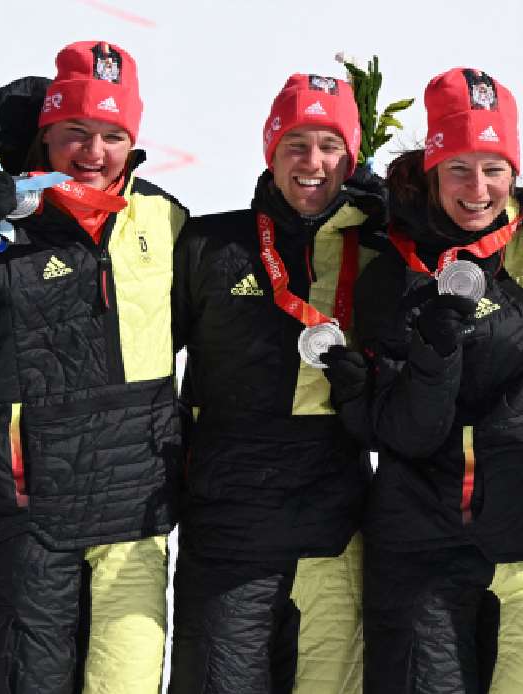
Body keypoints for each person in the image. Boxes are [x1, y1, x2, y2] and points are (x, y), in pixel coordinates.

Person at [0, 41, 188, 693]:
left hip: (133, 527)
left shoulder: (163, 220)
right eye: (75, 131)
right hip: (25, 528)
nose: (93, 151)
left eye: (112, 134)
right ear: (45, 133)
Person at [349, 67, 523, 693]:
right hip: (422, 545)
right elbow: (403, 430)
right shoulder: (391, 273)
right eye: (459, 168)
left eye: (494, 167)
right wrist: (434, 351)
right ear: (431, 170)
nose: (479, 189)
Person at [167, 72, 385, 693]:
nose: (312, 163)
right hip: (229, 532)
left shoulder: (377, 248)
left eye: (329, 145)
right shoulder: (212, 244)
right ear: (270, 151)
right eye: (295, 144)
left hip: (334, 529)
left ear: (351, 157)